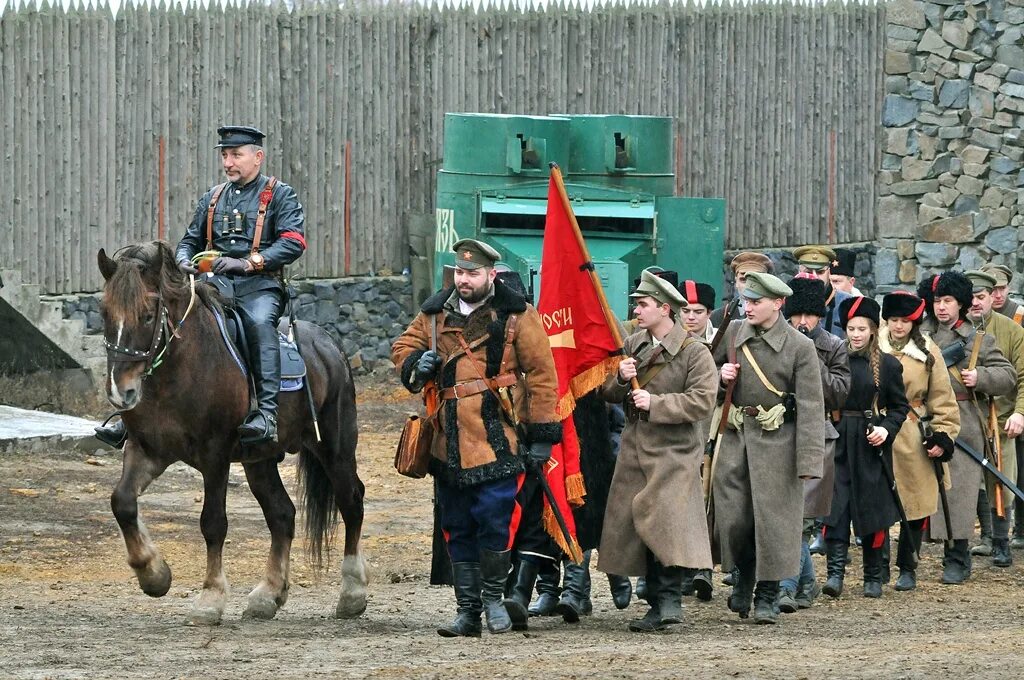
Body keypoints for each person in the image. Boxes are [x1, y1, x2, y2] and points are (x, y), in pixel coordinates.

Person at [391, 238, 562, 637]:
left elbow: (542, 376)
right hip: (447, 439)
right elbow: (402, 347)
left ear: (490, 274)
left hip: (497, 436)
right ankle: (466, 611)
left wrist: (541, 435)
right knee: (456, 524)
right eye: (460, 273)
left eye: (472, 273)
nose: (464, 280)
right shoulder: (434, 314)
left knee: (496, 520)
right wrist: (418, 362)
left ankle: (492, 601)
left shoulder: (517, 315)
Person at [95, 125, 306, 447]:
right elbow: (190, 241)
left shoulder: (280, 195)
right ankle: (131, 418)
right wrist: (182, 261)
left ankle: (266, 413)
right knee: (163, 323)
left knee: (259, 323)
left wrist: (248, 263)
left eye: (236, 154)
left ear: (258, 157)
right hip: (211, 284)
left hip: (259, 286)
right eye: (224, 155)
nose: (228, 162)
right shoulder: (213, 197)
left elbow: (293, 242)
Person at [597, 270, 718, 632]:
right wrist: (619, 378)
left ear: (665, 308)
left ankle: (669, 602)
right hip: (636, 449)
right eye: (636, 304)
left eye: (643, 304)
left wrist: (656, 402)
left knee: (666, 524)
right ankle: (655, 602)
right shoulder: (633, 345)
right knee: (639, 526)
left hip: (675, 450)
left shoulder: (694, 352)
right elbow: (607, 393)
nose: (637, 310)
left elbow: (702, 401)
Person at [711, 272, 826, 624]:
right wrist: (721, 377)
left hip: (779, 444)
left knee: (774, 524)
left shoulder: (800, 347)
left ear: (777, 304)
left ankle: (767, 593)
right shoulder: (731, 334)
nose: (748, 308)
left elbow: (811, 406)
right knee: (734, 518)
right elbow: (705, 375)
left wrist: (808, 460)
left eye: (756, 302)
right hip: (736, 439)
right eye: (746, 301)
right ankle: (743, 577)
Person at [919, 271, 1015, 584]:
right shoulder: (920, 336)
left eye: (948, 301)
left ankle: (957, 557)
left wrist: (981, 377)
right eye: (937, 301)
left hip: (963, 423)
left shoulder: (978, 340)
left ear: (960, 304)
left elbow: (1007, 376)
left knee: (957, 493)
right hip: (925, 419)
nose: (942, 307)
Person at [777, 273, 850, 612]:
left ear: (821, 316)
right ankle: (806, 581)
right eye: (797, 315)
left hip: (818, 438)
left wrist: (811, 356)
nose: (803, 322)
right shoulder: (777, 340)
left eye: (810, 315)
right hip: (781, 434)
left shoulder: (834, 346)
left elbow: (837, 393)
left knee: (802, 518)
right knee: (785, 514)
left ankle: (786, 588)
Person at [879, 291, 960, 592]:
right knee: (877, 502)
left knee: (914, 503)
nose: (899, 326)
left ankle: (907, 566)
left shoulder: (928, 351)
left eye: (905, 321)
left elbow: (942, 397)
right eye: (894, 320)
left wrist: (943, 434)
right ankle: (877, 569)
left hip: (913, 433)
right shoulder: (874, 347)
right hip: (878, 431)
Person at [965, 270, 1024, 568]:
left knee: (1001, 479)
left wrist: (1020, 413)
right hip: (964, 419)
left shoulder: (1012, 331)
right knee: (968, 482)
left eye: (981, 297)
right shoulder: (956, 329)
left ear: (992, 298)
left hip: (1000, 419)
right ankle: (983, 537)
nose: (976, 303)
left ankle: (1002, 541)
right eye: (971, 297)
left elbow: (1023, 377)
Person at [793, 245, 852, 338]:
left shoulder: (848, 303)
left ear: (829, 272)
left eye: (820, 272)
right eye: (808, 272)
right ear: (798, 272)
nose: (815, 277)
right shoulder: (788, 301)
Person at [709, 252, 773, 328]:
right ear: (736, 282)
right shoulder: (719, 316)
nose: (748, 286)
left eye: (755, 280)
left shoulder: (775, 313)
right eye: (743, 280)